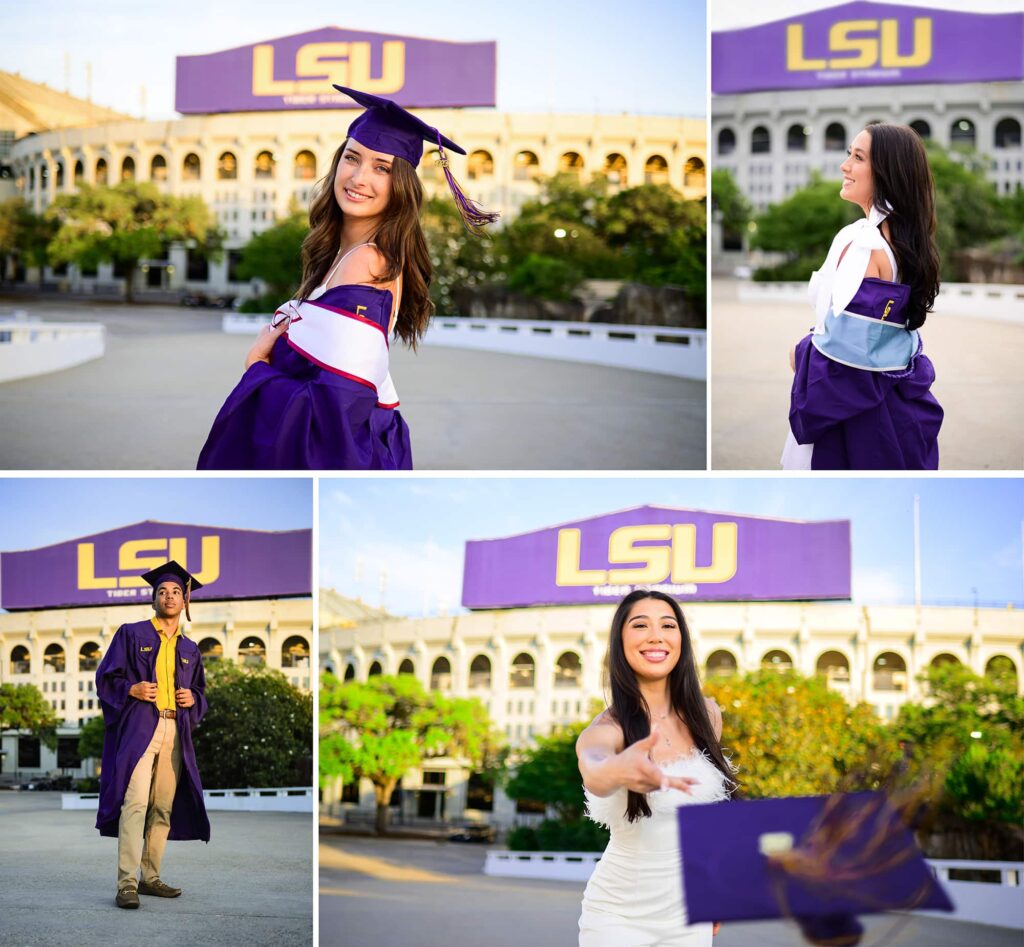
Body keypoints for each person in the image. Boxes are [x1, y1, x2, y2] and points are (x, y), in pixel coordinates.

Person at [197, 85, 498, 470]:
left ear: (401, 185)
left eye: (382, 168)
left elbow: (337, 409)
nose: (358, 177)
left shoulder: (369, 262)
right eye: (352, 158)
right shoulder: (343, 255)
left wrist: (258, 367)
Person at [576, 590, 735, 947]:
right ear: (620, 641)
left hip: (688, 914)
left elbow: (706, 819)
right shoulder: (609, 728)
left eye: (668, 624)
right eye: (639, 625)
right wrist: (617, 770)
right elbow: (594, 767)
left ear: (681, 639)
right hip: (617, 918)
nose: (656, 635)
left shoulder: (706, 715)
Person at [782, 122, 943, 470]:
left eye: (858, 157)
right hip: (887, 399)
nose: (845, 166)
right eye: (848, 155)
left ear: (885, 172)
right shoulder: (897, 241)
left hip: (856, 417)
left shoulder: (866, 245)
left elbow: (849, 354)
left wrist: (801, 350)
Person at [95, 560, 210, 909]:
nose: (169, 596)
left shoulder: (191, 649)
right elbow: (105, 678)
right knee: (136, 803)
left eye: (176, 591)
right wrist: (130, 689)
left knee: (163, 806)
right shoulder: (132, 634)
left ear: (185, 600)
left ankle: (151, 877)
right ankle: (126, 883)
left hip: (176, 731)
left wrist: (195, 699)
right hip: (142, 728)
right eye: (162, 591)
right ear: (153, 599)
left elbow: (201, 693)